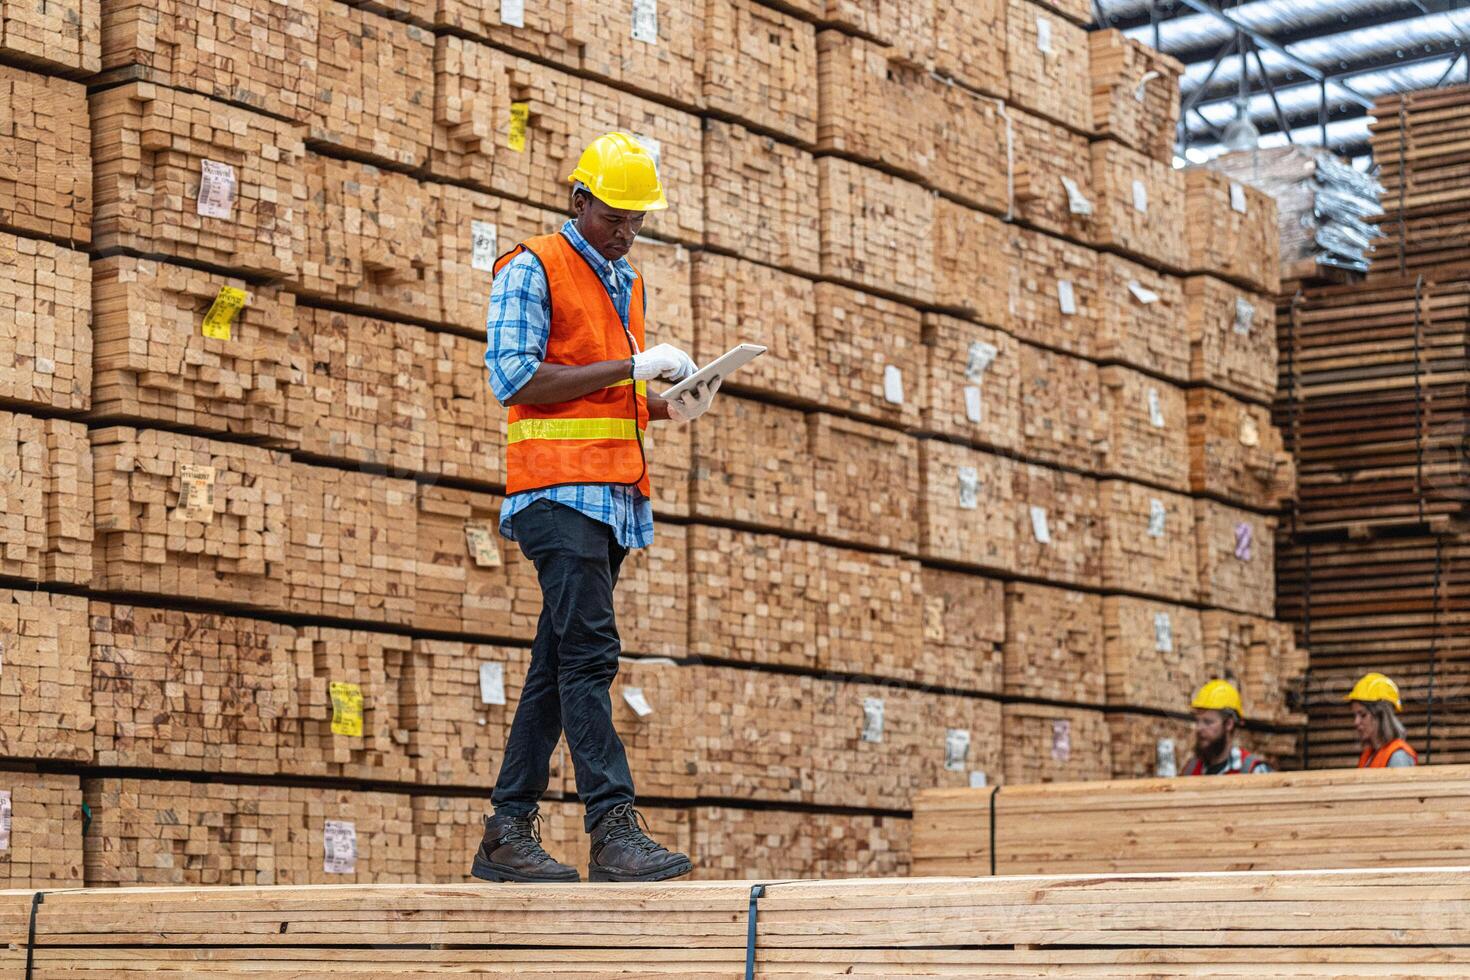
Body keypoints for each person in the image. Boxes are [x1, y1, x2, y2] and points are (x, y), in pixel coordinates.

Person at [472, 132, 718, 883]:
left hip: (610, 500)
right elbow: (514, 378)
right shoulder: (532, 265)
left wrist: (666, 404)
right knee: (590, 657)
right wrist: (631, 366)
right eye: (616, 215)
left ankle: (506, 833)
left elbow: (610, 395)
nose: (627, 230)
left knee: (556, 664)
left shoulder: (628, 283)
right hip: (555, 493)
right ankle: (612, 829)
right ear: (579, 200)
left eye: (638, 219)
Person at [1180, 679, 1272, 776]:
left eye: (1208, 722)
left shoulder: (1253, 771)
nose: (1199, 728)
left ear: (1229, 724)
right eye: (1197, 721)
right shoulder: (1190, 769)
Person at [1347, 672, 1418, 768]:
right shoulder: (1370, 756)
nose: (1356, 722)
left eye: (1363, 715)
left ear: (1381, 716)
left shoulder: (1397, 757)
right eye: (1355, 716)